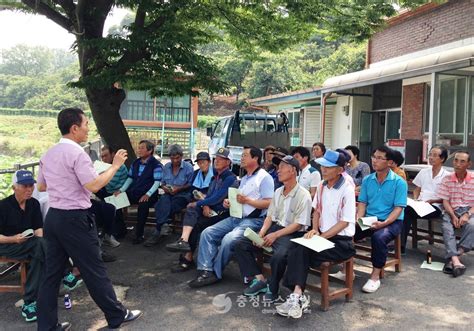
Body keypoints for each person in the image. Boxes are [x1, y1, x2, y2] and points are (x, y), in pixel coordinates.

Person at [36, 108, 141, 330]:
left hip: (53, 218)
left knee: (50, 275)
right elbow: (94, 185)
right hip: (75, 219)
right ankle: (116, 315)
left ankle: (47, 326)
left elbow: (42, 186)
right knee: (94, 270)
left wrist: (65, 182)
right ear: (74, 128)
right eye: (85, 124)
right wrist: (115, 166)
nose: (88, 128)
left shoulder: (49, 153)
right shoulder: (77, 154)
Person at [278, 150, 356, 318]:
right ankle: (297, 295)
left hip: (341, 242)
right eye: (322, 166)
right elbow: (317, 211)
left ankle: (297, 296)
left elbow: (344, 222)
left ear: (339, 169)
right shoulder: (321, 185)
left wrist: (322, 236)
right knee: (296, 246)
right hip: (323, 237)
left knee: (301, 252)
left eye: (328, 167)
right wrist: (314, 229)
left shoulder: (347, 189)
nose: (323, 169)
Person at [188, 146, 274, 288]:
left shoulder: (264, 177)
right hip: (236, 216)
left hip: (253, 221)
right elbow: (239, 198)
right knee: (207, 233)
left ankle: (215, 272)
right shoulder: (245, 177)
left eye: (245, 155)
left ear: (255, 158)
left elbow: (269, 202)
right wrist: (229, 202)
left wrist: (248, 201)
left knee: (229, 239)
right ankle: (205, 270)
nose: (241, 158)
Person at [234, 155, 312, 301]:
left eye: (282, 167)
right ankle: (260, 279)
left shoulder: (303, 194)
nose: (278, 170)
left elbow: (298, 224)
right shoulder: (278, 192)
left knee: (279, 256)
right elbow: (269, 217)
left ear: (293, 171)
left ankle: (274, 287)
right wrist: (261, 233)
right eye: (278, 167)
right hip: (275, 229)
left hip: (292, 233)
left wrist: (275, 235)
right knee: (240, 243)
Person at [166, 147, 237, 272]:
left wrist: (201, 203)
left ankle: (187, 258)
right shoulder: (214, 176)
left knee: (195, 218)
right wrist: (204, 204)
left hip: (221, 214)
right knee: (192, 213)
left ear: (228, 162)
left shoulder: (230, 178)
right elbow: (209, 196)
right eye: (217, 158)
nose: (217, 161)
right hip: (210, 210)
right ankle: (184, 243)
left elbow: (218, 197)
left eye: (222, 159)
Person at [354, 146, 407, 293]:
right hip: (370, 219)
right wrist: (359, 219)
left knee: (379, 237)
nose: (374, 161)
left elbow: (398, 208)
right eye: (373, 157)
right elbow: (362, 203)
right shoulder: (367, 180)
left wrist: (384, 223)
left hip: (392, 221)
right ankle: (347, 270)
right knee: (347, 231)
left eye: (379, 158)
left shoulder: (399, 182)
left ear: (389, 162)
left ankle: (375, 277)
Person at [0, 170, 46, 323]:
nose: (29, 189)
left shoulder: (34, 203)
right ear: (14, 187)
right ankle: (65, 273)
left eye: (31, 186)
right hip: (7, 245)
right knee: (39, 247)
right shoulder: (3, 206)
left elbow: (38, 229)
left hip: (29, 245)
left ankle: (29, 302)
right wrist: (13, 238)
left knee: (39, 248)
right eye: (25, 186)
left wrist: (43, 244)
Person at [401, 145, 450, 253]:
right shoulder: (424, 172)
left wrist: (433, 201)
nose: (431, 157)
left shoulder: (447, 176)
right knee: (403, 208)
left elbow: (446, 198)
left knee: (406, 211)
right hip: (420, 204)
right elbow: (416, 190)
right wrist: (415, 199)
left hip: (436, 207)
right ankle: (400, 245)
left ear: (442, 159)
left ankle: (400, 245)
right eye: (430, 154)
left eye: (435, 155)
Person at [144, 144, 194, 247]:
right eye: (172, 158)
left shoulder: (188, 167)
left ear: (181, 156)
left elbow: (190, 184)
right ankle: (164, 225)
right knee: (161, 202)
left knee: (172, 204)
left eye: (177, 158)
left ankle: (159, 229)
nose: (175, 160)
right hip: (168, 193)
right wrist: (164, 188)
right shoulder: (166, 166)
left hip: (183, 194)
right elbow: (162, 183)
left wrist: (179, 188)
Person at [116, 140, 163, 244]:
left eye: (142, 148)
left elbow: (157, 182)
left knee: (143, 205)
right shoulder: (136, 163)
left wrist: (148, 194)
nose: (139, 150)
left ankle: (139, 234)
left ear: (150, 150)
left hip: (149, 194)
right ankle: (120, 230)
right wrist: (121, 190)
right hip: (135, 191)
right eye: (139, 147)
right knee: (116, 201)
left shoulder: (156, 165)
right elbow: (130, 178)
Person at [438, 150, 474, 277]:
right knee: (447, 228)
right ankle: (455, 260)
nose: (457, 164)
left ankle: (456, 254)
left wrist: (467, 214)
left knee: (472, 225)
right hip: (451, 210)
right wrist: (453, 215)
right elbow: (445, 201)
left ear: (469, 164)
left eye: (462, 161)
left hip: (469, 210)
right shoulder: (447, 179)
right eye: (456, 160)